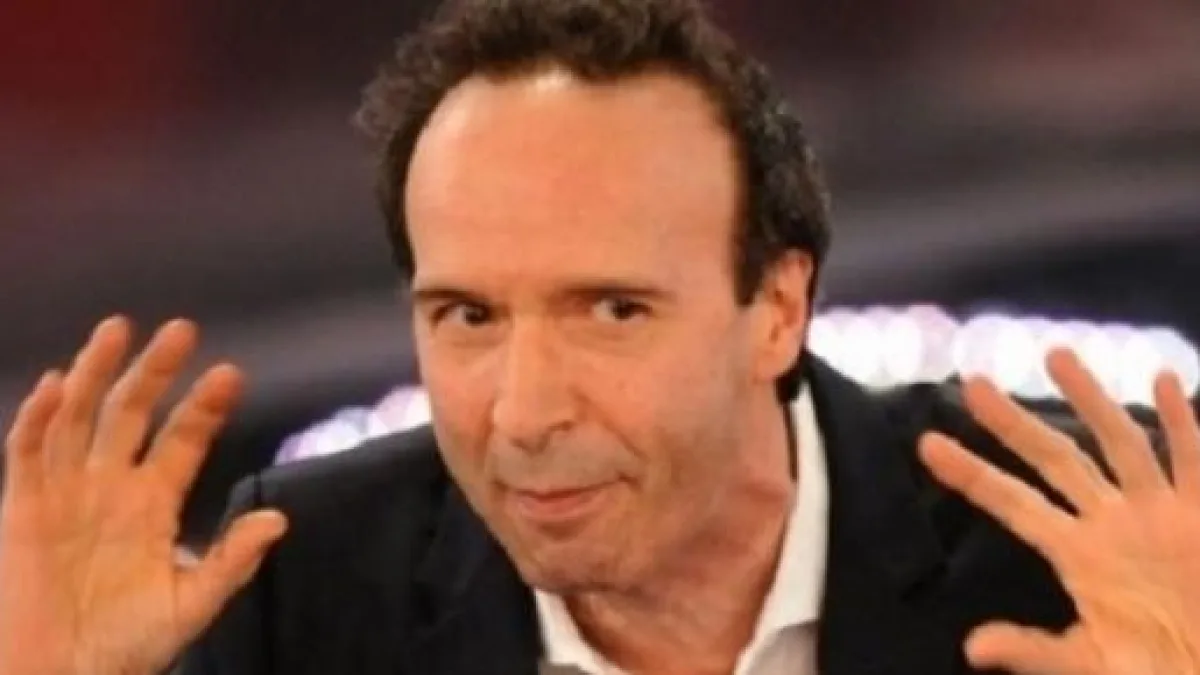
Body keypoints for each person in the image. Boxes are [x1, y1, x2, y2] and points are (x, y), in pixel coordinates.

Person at [2, 0, 1200, 673]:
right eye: (469, 316)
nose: (524, 414)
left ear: (778, 309)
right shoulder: (306, 588)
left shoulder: (1104, 545)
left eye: (613, 311)